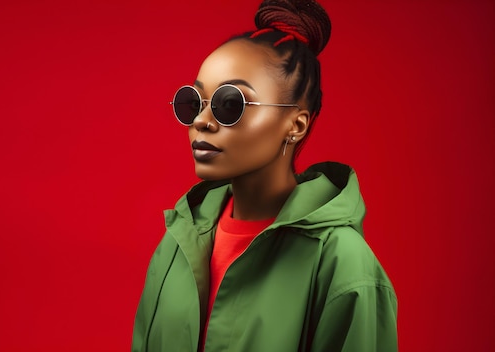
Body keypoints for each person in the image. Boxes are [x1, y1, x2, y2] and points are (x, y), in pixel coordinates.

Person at [132, 0, 398, 351]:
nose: (201, 121)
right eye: (193, 102)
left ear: (296, 124)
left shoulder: (343, 265)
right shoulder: (178, 242)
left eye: (230, 104)